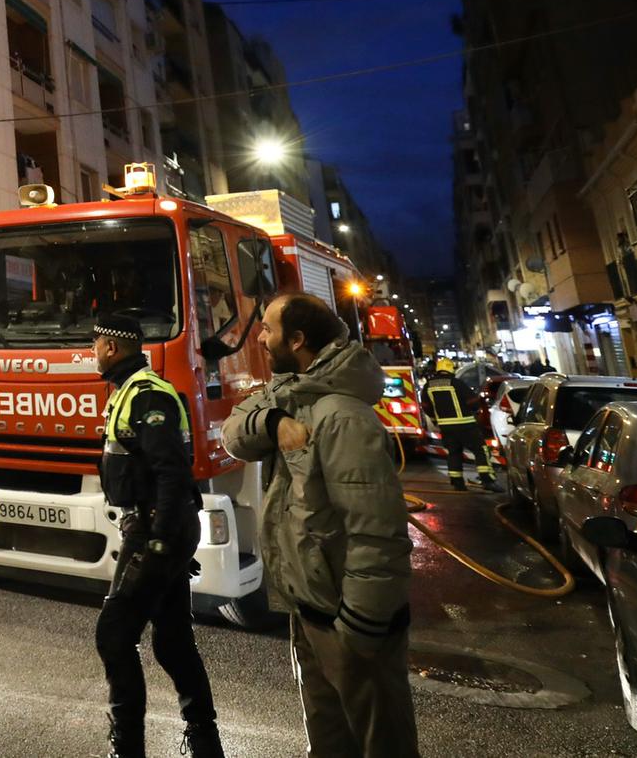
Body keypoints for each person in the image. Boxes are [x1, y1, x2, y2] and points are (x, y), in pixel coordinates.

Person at [224, 293, 418, 758]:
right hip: (312, 608)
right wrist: (271, 422)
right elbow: (234, 431)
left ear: (298, 339)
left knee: (379, 743)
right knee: (330, 739)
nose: (260, 338)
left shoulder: (342, 418)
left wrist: (362, 626)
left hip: (346, 621)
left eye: (268, 329)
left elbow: (376, 534)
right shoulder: (293, 394)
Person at [88, 312, 223, 758]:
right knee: (171, 639)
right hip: (156, 525)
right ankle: (205, 740)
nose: (92, 352)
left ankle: (128, 749)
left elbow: (171, 472)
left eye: (95, 345)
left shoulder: (148, 395)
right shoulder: (128, 393)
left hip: (153, 529)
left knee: (114, 634)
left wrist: (163, 542)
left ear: (111, 348)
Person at [423, 358, 492, 491]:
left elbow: (426, 406)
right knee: (480, 450)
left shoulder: (428, 386)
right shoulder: (456, 383)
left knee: (453, 453)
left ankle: (457, 483)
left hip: (446, 427)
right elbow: (473, 402)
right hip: (465, 424)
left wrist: (434, 419)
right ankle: (487, 479)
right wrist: (476, 410)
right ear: (450, 369)